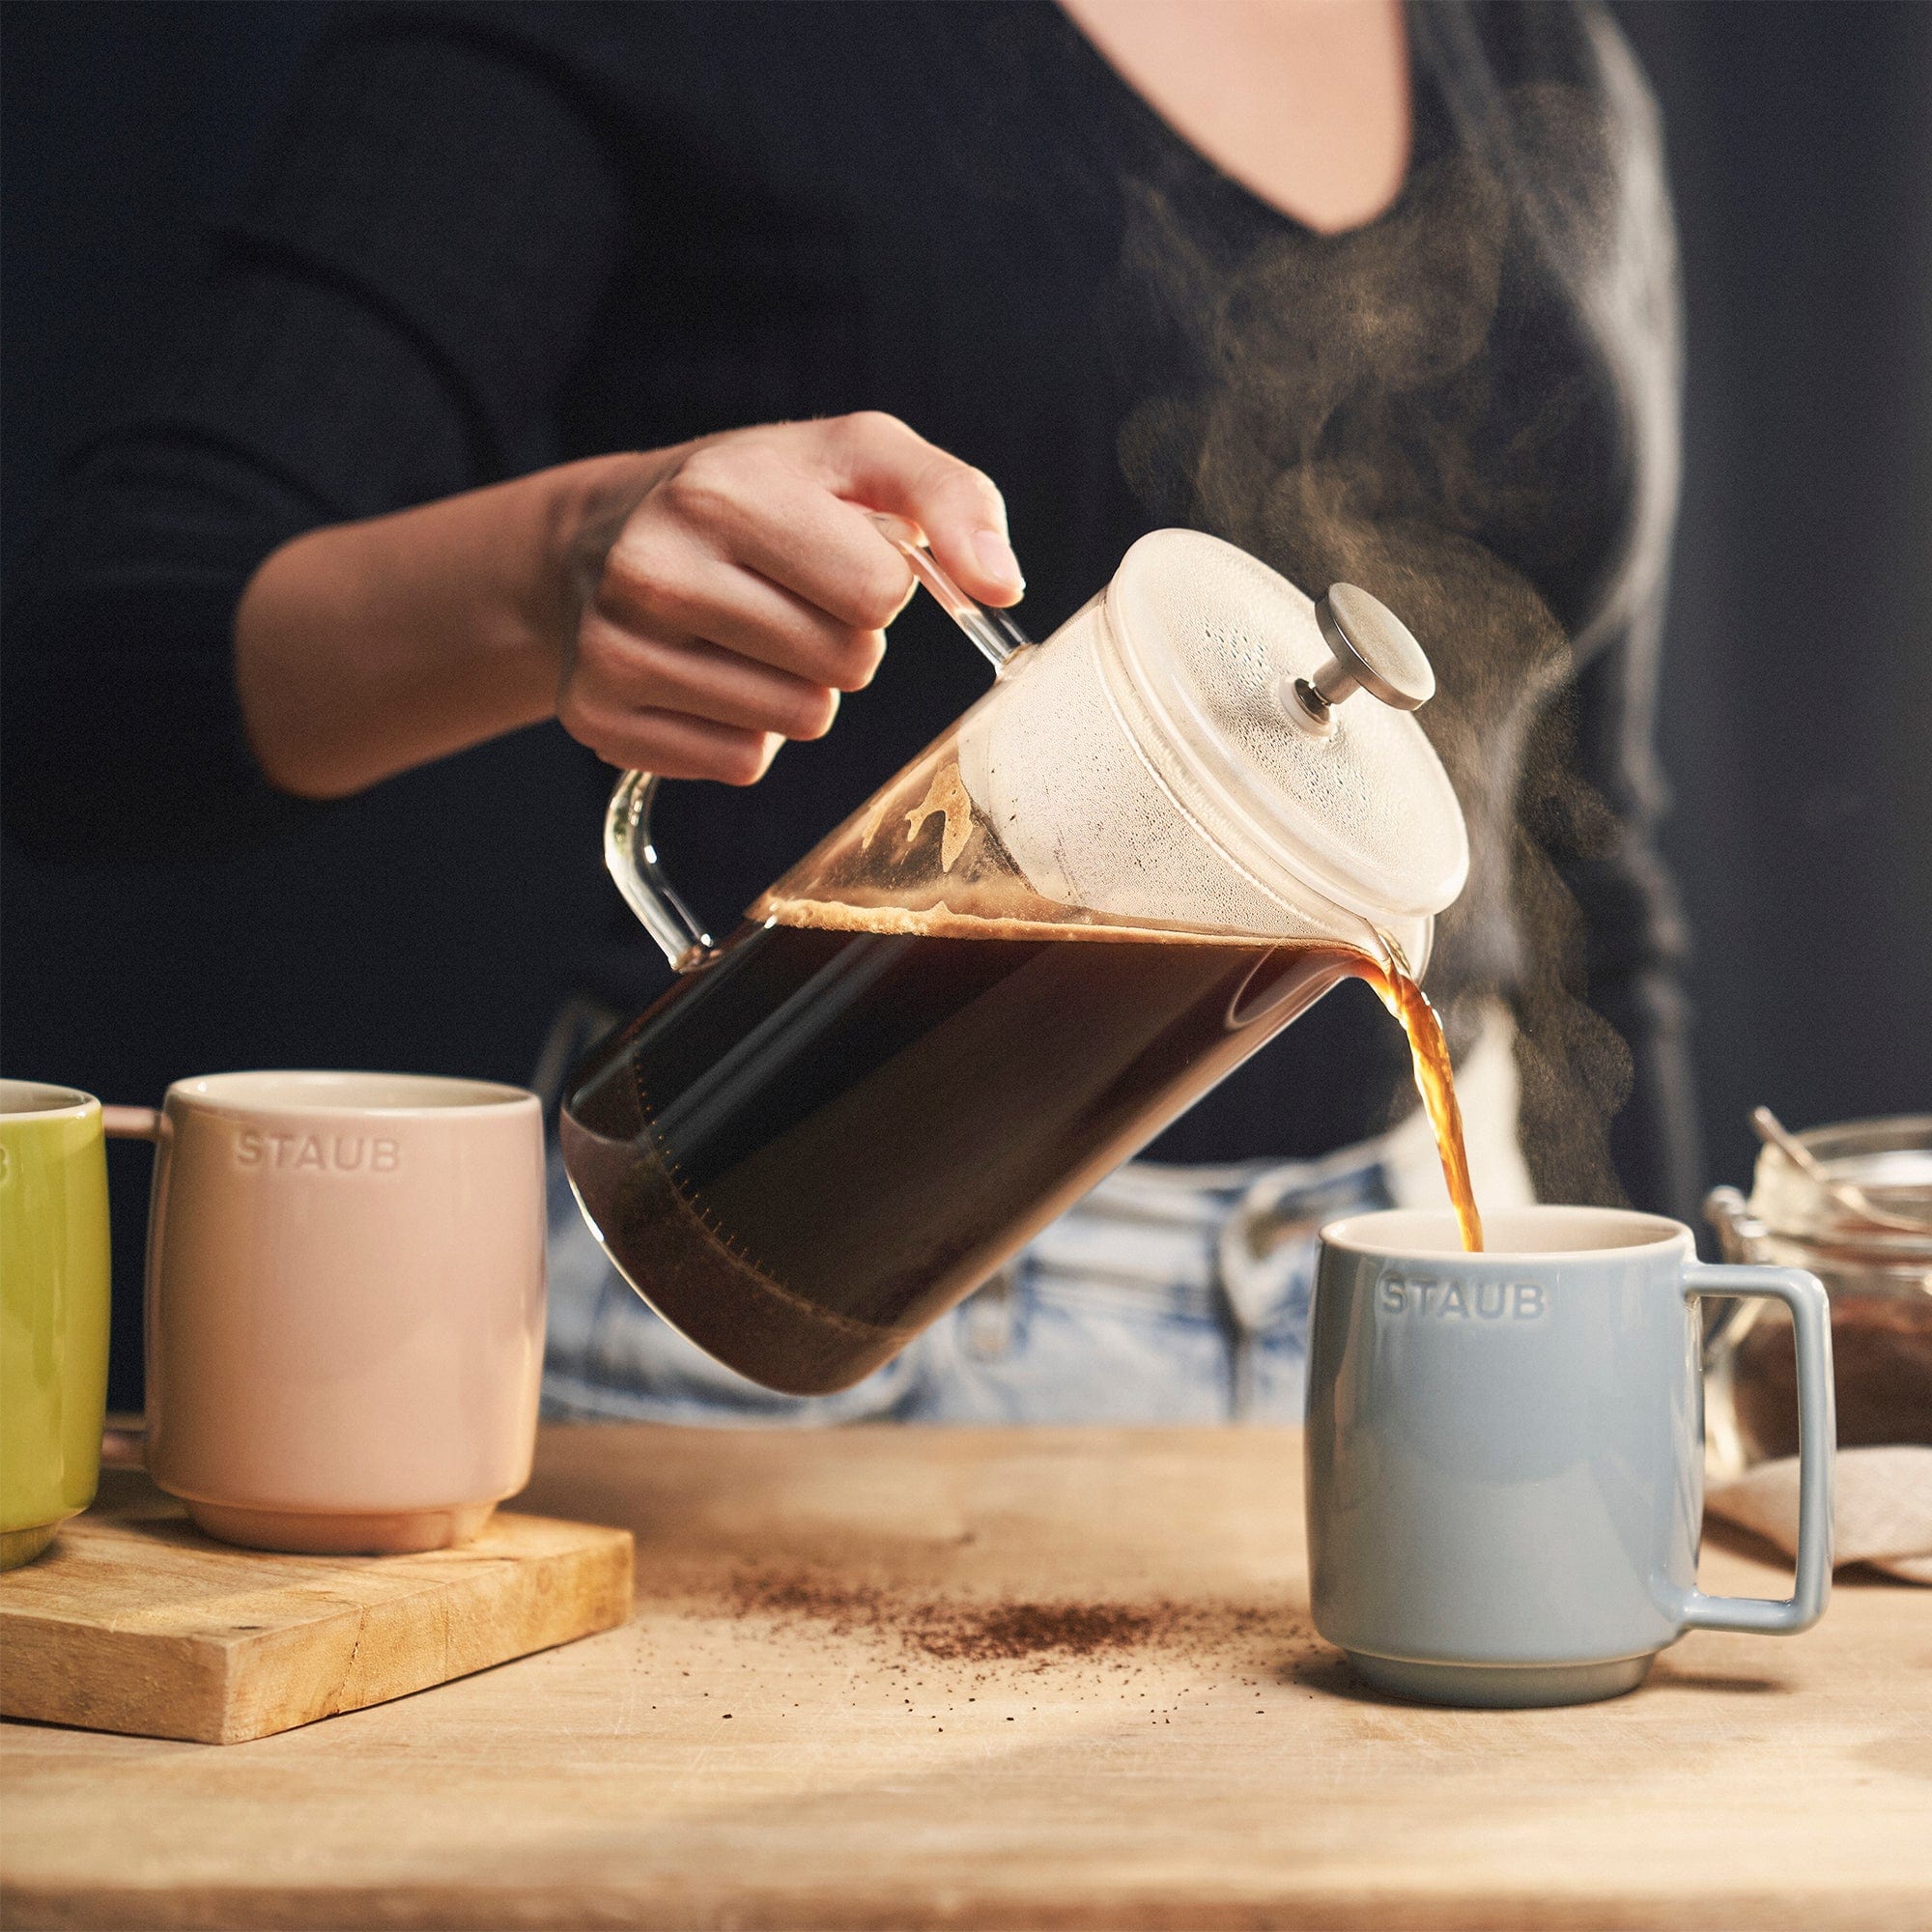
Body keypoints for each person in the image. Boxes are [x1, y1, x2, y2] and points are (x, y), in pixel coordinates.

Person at [3, 1, 1695, 1423]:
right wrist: (550, 572)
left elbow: (1583, 863)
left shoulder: (1538, 46)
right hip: (786, 1300)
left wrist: (1690, 1375)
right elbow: (85, 688)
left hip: (1413, 1306)